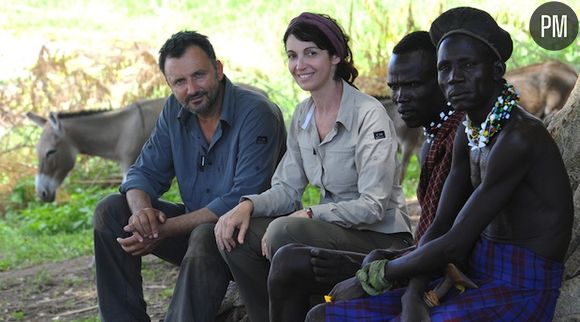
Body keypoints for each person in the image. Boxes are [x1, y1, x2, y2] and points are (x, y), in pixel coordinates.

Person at [306, 7, 573, 322]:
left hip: (518, 287)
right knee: (322, 315)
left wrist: (375, 277)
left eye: (468, 65)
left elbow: (455, 241)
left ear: (497, 70)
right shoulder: (469, 129)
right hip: (470, 271)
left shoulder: (519, 137)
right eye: (444, 68)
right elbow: (440, 225)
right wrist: (409, 287)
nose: (454, 78)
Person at [213, 12, 413, 322]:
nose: (299, 64)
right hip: (331, 230)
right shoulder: (303, 115)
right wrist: (247, 205)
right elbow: (288, 189)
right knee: (236, 234)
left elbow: (373, 206)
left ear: (335, 56)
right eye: (292, 55)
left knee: (285, 230)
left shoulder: (368, 114)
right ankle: (266, 316)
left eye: (311, 53)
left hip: (381, 238)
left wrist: (310, 214)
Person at [265, 30, 465, 322]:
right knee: (286, 259)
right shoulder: (433, 140)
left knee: (305, 285)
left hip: (424, 262)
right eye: (394, 87)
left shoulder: (463, 139)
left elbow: (450, 244)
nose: (400, 99)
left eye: (412, 85)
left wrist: (372, 272)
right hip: (406, 258)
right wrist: (247, 205)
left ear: (443, 79)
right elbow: (432, 235)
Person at [92, 31, 286, 322]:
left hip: (251, 242)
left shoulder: (257, 112)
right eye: (179, 82)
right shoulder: (175, 109)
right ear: (169, 84)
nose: (191, 89)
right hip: (200, 236)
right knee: (110, 211)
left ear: (218, 70)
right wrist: (142, 214)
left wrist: (163, 230)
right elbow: (142, 173)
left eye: (199, 75)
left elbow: (241, 198)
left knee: (206, 233)